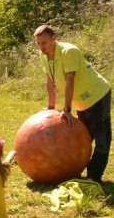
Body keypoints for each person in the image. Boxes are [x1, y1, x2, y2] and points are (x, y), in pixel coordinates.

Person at [33, 24, 111, 183]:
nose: (41, 47)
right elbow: (50, 80)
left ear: (54, 39)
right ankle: (73, 170)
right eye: (38, 43)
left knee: (102, 138)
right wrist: (51, 106)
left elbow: (70, 80)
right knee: (82, 137)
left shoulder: (69, 51)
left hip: (97, 96)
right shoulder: (44, 55)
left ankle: (93, 177)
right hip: (81, 102)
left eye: (44, 42)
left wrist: (67, 109)